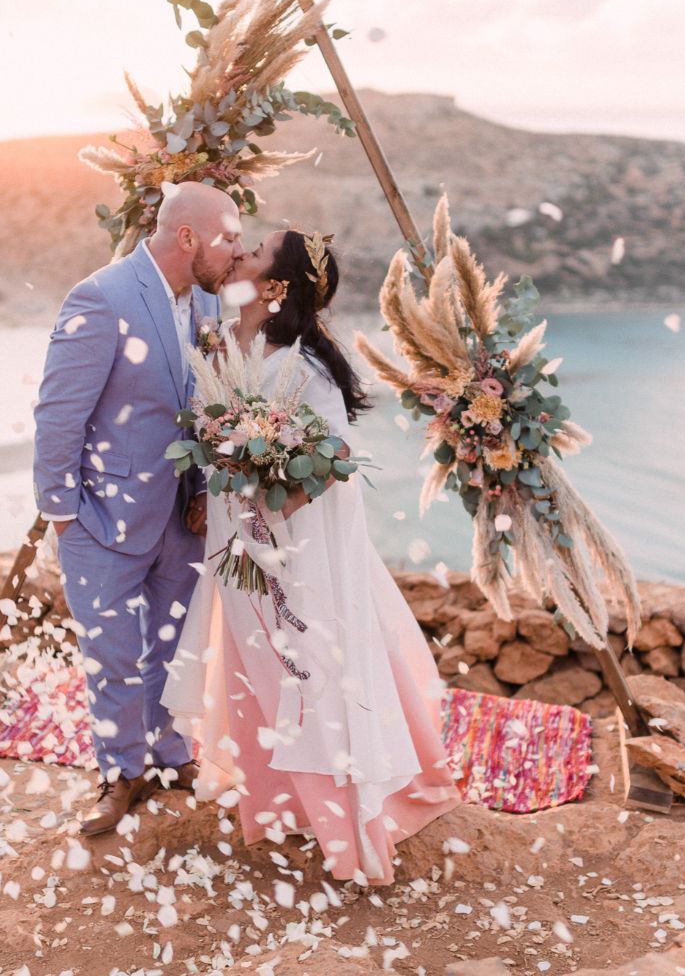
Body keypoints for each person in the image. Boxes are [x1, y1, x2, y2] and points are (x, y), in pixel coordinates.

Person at [161, 229, 463, 885]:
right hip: (234, 545)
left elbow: (336, 460)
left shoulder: (302, 368)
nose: (236, 249)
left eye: (254, 251)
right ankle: (276, 808)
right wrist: (207, 492)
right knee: (252, 671)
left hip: (288, 557)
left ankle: (349, 832)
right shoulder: (224, 343)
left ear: (274, 288)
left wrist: (270, 488)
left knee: (303, 677)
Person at [33, 182, 245, 835]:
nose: (236, 250)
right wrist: (63, 514)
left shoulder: (208, 302)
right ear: (188, 238)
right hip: (102, 518)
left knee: (170, 646)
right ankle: (119, 774)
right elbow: (58, 413)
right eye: (228, 237)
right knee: (114, 655)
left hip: (183, 516)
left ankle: (168, 755)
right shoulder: (100, 297)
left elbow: (213, 406)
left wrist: (209, 490)